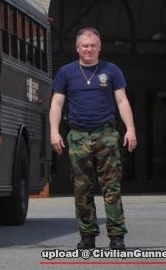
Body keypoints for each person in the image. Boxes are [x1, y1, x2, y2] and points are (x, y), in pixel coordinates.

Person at [49, 27, 137, 250]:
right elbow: (57, 103)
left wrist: (130, 129)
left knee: (111, 187)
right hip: (78, 136)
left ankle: (117, 236)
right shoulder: (66, 72)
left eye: (93, 45)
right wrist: (54, 131)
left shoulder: (111, 70)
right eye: (85, 46)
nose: (89, 49)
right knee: (82, 188)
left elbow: (122, 101)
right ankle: (87, 236)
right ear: (77, 48)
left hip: (106, 134)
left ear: (100, 47)